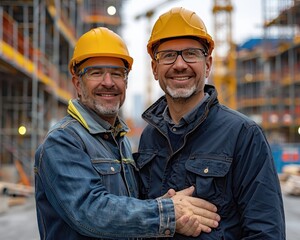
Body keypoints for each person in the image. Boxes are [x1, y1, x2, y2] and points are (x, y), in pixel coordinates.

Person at [34, 27, 221, 240]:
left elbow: (124, 211)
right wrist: (169, 211)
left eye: (117, 74)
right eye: (96, 73)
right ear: (77, 83)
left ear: (126, 82)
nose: (108, 82)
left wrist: (166, 206)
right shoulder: (63, 141)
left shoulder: (118, 140)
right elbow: (91, 211)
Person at [135, 7, 286, 239]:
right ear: (155, 69)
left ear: (208, 64)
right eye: (168, 55)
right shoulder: (149, 137)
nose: (179, 64)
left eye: (191, 53)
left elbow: (265, 231)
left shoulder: (243, 134)